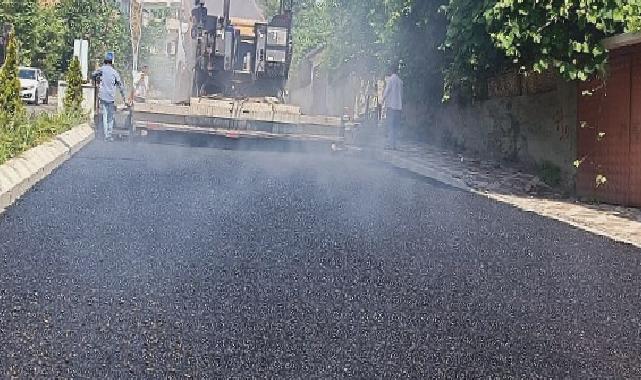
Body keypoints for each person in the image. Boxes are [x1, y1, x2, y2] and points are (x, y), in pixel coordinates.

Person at [92, 52, 127, 141]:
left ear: (105, 60)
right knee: (110, 116)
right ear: (112, 62)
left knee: (105, 114)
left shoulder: (102, 69)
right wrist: (124, 98)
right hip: (111, 97)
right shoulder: (115, 72)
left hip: (103, 96)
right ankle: (109, 134)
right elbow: (120, 85)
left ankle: (105, 134)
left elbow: (93, 74)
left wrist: (98, 78)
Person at [382, 64, 403, 150]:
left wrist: (382, 99)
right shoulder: (400, 81)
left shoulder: (390, 80)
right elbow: (401, 94)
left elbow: (387, 91)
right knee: (395, 127)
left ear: (391, 70)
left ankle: (390, 145)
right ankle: (394, 145)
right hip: (398, 107)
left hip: (391, 106)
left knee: (390, 126)